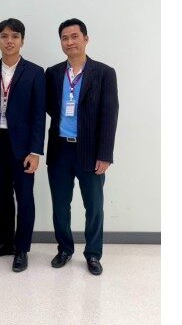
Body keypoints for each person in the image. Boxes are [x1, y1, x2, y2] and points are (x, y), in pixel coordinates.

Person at [45, 18, 119, 276]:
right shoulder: (53, 73)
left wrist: (105, 154)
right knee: (60, 206)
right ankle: (64, 249)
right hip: (60, 150)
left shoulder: (104, 73)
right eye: (65, 38)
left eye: (74, 36)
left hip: (91, 151)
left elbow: (110, 115)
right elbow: (50, 108)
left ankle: (93, 253)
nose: (70, 42)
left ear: (86, 39)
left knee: (94, 206)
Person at [0, 18, 46, 273]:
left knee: (25, 198)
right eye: (5, 36)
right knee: (3, 196)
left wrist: (35, 151)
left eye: (15, 36)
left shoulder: (35, 72)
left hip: (23, 147)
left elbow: (39, 114)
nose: (9, 41)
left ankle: (22, 249)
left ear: (22, 41)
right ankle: (6, 242)